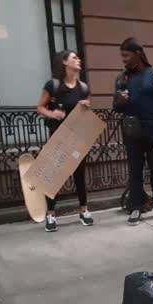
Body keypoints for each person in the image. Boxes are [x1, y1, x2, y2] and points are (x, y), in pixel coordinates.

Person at [113, 37, 153, 226]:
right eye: (122, 56)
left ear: (138, 53)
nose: (124, 60)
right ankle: (136, 208)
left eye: (126, 55)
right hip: (132, 132)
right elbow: (115, 108)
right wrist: (120, 101)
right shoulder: (122, 79)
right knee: (135, 170)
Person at [36, 50, 94, 232]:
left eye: (78, 57)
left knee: (79, 175)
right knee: (52, 175)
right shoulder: (53, 85)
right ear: (64, 63)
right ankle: (51, 214)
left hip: (77, 136)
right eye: (74, 58)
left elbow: (87, 110)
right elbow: (39, 107)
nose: (78, 60)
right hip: (58, 136)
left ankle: (84, 210)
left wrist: (87, 106)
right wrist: (52, 113)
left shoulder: (83, 87)